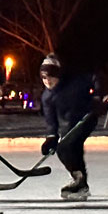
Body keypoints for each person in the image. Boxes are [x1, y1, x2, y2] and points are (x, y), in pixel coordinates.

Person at [39, 53, 97, 200]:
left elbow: (95, 78)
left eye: (51, 77)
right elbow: (51, 120)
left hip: (86, 118)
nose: (48, 81)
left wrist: (97, 96)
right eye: (44, 78)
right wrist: (51, 137)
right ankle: (79, 181)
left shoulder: (75, 83)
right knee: (67, 150)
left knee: (66, 146)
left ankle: (80, 181)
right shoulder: (47, 96)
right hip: (70, 123)